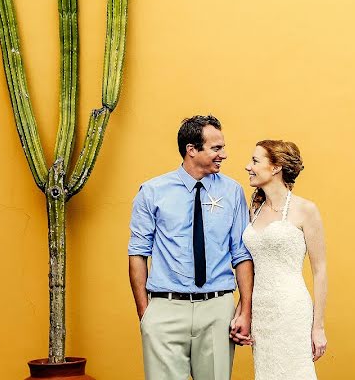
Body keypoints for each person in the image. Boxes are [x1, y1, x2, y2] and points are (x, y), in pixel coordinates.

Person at [128, 115, 254, 380]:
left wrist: (245, 310)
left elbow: (241, 255)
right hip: (166, 308)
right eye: (216, 148)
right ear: (192, 149)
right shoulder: (152, 192)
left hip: (217, 309)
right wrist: (146, 314)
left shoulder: (232, 192)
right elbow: (138, 253)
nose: (224, 155)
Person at [241, 140, 327, 380]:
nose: (248, 167)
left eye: (255, 161)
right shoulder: (253, 210)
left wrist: (318, 327)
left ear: (276, 167)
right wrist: (243, 310)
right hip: (262, 312)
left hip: (290, 309)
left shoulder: (305, 210)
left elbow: (320, 271)